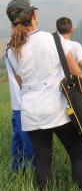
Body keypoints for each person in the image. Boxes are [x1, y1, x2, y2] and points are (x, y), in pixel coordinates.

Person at [6, 0, 82, 190]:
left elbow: (20, 82)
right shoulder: (53, 38)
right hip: (58, 107)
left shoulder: (11, 50)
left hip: (31, 112)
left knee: (43, 162)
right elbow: (76, 71)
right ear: (33, 15)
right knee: (77, 155)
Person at [5, 43, 34, 172]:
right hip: (25, 102)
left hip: (16, 102)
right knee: (29, 142)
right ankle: (33, 172)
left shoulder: (9, 48)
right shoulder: (18, 50)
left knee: (17, 140)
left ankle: (16, 171)